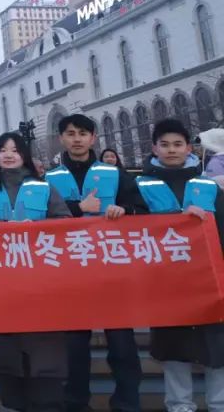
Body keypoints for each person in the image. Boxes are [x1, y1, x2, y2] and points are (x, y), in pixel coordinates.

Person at [43, 114, 146, 412]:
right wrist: (78, 208)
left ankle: (127, 404)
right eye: (70, 133)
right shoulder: (48, 179)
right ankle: (75, 404)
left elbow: (140, 208)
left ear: (93, 138)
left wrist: (124, 209)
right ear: (61, 138)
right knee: (73, 349)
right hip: (69, 272)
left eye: (83, 133)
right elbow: (40, 218)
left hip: (110, 268)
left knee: (122, 346)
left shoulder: (115, 174)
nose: (77, 139)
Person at [135, 118, 224, 412]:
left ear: (188, 148)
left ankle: (219, 405)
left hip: (208, 281)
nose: (171, 150)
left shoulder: (209, 186)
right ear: (154, 148)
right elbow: (131, 231)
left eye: (177, 144)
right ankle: (179, 406)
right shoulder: (138, 186)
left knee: (217, 348)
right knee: (173, 349)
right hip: (165, 283)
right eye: (164, 144)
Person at [0, 133, 71, 412]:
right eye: (3, 150)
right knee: (6, 351)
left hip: (40, 282)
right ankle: (11, 402)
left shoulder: (44, 187)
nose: (9, 155)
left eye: (15, 150)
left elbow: (65, 224)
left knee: (45, 349)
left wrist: (40, 228)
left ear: (24, 156)